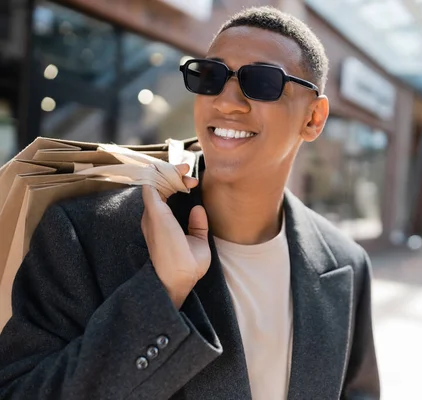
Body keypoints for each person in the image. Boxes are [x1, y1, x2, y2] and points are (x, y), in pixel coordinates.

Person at [0, 6, 380, 399]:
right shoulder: (85, 234)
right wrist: (161, 293)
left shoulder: (346, 263)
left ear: (314, 119)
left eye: (262, 82)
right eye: (211, 76)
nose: (227, 102)